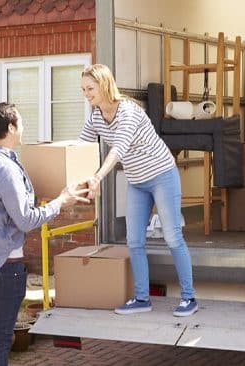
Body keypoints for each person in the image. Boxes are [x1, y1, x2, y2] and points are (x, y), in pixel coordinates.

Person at [0, 102, 89, 366]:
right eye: (21, 123)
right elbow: (25, 220)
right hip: (4, 265)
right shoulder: (5, 168)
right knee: (0, 337)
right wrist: (61, 202)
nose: (24, 128)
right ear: (11, 127)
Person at [78, 64, 198, 317]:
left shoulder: (129, 111)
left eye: (90, 88)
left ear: (104, 85)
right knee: (134, 241)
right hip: (137, 181)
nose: (86, 94)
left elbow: (118, 148)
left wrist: (98, 177)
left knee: (173, 236)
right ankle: (142, 298)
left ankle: (189, 298)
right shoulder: (96, 116)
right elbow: (81, 147)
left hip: (162, 175)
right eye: (83, 89)